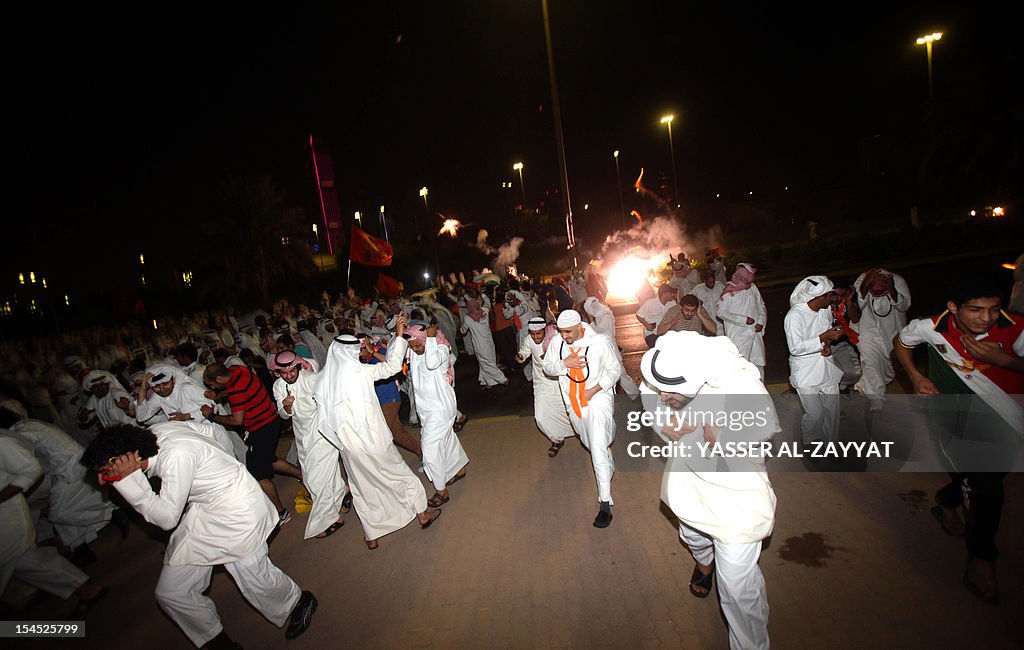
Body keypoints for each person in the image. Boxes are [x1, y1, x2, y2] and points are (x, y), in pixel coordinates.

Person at [81, 422, 317, 647]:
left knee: (249, 570)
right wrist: (219, 465)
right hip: (207, 508)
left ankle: (299, 602)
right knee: (171, 591)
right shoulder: (155, 433)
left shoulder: (175, 455)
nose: (102, 480)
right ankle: (217, 643)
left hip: (238, 508)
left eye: (105, 472)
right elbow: (209, 430)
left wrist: (130, 480)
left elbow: (166, 519)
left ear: (123, 458)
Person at [640, 332, 778, 650]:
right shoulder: (665, 364)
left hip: (735, 494)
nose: (662, 395)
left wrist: (726, 440)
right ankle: (704, 563)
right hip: (687, 479)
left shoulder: (741, 384)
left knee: (737, 588)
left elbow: (765, 431)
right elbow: (649, 394)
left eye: (670, 393)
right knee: (692, 537)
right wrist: (663, 424)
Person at [894, 275, 1023, 605]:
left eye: (994, 309)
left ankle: (948, 499)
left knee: (986, 479)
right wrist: (916, 376)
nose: (986, 318)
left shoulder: (1015, 329)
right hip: (954, 420)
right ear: (953, 308)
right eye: (975, 310)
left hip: (1008, 421)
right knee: (987, 491)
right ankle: (982, 558)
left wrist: (1005, 361)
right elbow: (902, 341)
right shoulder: (930, 327)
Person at [314, 323, 441, 551]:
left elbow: (323, 422)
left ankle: (371, 537)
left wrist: (341, 445)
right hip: (375, 440)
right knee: (401, 475)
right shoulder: (361, 372)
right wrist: (399, 335)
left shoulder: (321, 381)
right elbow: (393, 366)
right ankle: (422, 515)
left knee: (363, 489)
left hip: (349, 448)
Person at [0, 408, 123, 565]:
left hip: (70, 468)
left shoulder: (22, 433)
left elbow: (31, 466)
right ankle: (81, 549)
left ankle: (113, 513)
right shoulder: (25, 426)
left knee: (58, 513)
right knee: (49, 512)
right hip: (63, 470)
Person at [0, 435, 107, 613]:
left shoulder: (4, 440)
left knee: (25, 557)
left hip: (8, 515)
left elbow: (31, 469)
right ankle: (83, 585)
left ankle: (85, 584)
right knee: (25, 560)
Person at [542, 309, 621, 528]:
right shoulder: (557, 343)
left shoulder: (600, 342)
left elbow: (614, 370)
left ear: (579, 326)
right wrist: (564, 364)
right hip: (572, 402)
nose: (564, 336)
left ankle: (605, 503)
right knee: (589, 441)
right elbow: (547, 367)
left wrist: (593, 390)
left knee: (596, 445)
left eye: (568, 332)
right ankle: (606, 457)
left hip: (597, 398)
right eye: (561, 331)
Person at [203, 363, 300, 525]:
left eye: (213, 385)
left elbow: (236, 420)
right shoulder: (238, 370)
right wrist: (219, 396)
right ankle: (303, 476)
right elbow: (239, 391)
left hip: (261, 428)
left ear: (220, 378)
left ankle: (281, 513)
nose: (214, 388)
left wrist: (212, 416)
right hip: (270, 419)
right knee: (268, 459)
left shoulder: (235, 390)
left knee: (258, 473)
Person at [271, 351, 349, 540]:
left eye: (292, 371)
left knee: (315, 479)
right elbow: (283, 415)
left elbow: (332, 402)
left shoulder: (313, 379)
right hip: (302, 436)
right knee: (313, 476)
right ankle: (342, 492)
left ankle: (330, 519)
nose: (289, 376)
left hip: (322, 433)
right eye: (284, 373)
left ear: (298, 366)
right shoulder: (278, 386)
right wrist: (287, 407)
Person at [407, 324, 470, 507]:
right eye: (412, 346)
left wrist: (432, 339)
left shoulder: (441, 349)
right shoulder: (414, 352)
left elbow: (432, 362)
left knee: (429, 449)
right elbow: (397, 355)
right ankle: (458, 469)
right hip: (427, 411)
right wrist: (401, 333)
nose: (414, 349)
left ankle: (441, 491)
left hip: (440, 409)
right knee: (447, 439)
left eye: (418, 345)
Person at [785, 276, 844, 450]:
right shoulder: (794, 316)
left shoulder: (824, 309)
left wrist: (827, 345)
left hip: (826, 366)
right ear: (819, 297)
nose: (833, 298)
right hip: (805, 371)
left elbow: (825, 330)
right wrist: (824, 338)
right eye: (830, 295)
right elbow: (795, 348)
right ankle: (810, 442)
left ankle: (831, 445)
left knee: (832, 411)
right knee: (815, 414)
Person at [515, 318, 576, 457]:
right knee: (540, 417)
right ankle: (557, 439)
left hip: (560, 383)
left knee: (569, 412)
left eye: (539, 334)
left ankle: (581, 432)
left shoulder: (556, 338)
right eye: (533, 334)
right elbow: (524, 352)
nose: (536, 337)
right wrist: (521, 356)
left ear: (545, 330)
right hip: (541, 384)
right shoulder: (529, 340)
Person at [852, 268, 911, 410]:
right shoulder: (861, 282)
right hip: (866, 332)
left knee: (888, 366)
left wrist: (891, 291)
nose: (877, 294)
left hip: (891, 332)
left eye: (880, 292)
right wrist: (865, 288)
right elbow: (856, 305)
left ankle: (874, 384)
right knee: (870, 361)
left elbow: (905, 305)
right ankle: (875, 397)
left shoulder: (898, 281)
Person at [360, 337, 423, 458]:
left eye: (360, 350)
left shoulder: (380, 353)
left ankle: (387, 465)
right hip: (377, 403)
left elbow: (392, 364)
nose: (358, 354)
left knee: (380, 435)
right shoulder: (362, 362)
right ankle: (421, 451)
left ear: (366, 347)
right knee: (396, 433)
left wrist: (373, 352)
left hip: (390, 400)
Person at [582, 296, 641, 399]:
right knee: (614, 374)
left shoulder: (605, 316)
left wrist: (591, 321)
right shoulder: (601, 315)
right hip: (606, 349)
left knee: (620, 374)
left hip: (610, 348)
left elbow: (597, 332)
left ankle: (636, 394)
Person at [718, 263, 767, 379]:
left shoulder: (753, 287)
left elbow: (761, 305)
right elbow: (720, 312)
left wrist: (760, 321)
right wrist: (744, 320)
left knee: (758, 366)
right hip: (739, 336)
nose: (751, 278)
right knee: (741, 368)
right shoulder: (729, 291)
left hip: (755, 334)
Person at [460, 297, 507, 389]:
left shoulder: (468, 318)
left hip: (480, 345)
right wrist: (482, 294)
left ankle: (502, 379)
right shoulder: (484, 311)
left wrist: (460, 327)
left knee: (486, 364)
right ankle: (487, 382)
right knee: (487, 362)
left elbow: (463, 331)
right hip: (489, 342)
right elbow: (488, 302)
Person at [829, 278, 863, 398]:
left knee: (855, 373)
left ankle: (841, 386)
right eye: (835, 295)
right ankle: (832, 389)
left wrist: (848, 300)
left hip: (842, 344)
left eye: (841, 295)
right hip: (823, 345)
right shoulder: (823, 302)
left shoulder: (848, 301)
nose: (837, 298)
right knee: (827, 374)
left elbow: (855, 319)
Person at [688, 267, 725, 336]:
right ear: (704, 281)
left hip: (720, 322)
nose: (712, 284)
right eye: (710, 282)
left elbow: (727, 294)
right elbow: (688, 299)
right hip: (708, 322)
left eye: (713, 282)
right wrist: (697, 302)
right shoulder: (698, 289)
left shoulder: (719, 285)